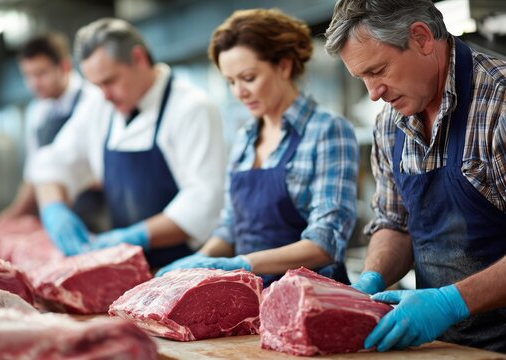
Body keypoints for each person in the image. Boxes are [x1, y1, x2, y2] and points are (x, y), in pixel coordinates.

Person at [324, 0, 506, 353]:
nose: (373, 93)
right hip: (438, 345)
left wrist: (450, 303)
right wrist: (369, 281)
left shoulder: (499, 106)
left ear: (421, 38)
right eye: (362, 78)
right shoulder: (389, 124)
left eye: (378, 70)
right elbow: (395, 223)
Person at [157, 9, 359, 287]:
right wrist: (196, 263)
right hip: (251, 297)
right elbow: (230, 227)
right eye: (230, 82)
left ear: (284, 66)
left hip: (312, 298)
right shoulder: (244, 138)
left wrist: (244, 263)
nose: (239, 92)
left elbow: (324, 244)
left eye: (248, 78)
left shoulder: (327, 130)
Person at [28, 18, 225, 268]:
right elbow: (52, 162)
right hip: (125, 269)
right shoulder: (99, 107)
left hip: (185, 270)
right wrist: (54, 208)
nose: (105, 95)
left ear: (139, 58)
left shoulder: (191, 107)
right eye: (97, 85)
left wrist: (135, 236)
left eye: (110, 81)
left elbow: (204, 201)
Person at [0, 33, 96, 222]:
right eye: (28, 76)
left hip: (96, 213)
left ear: (64, 67)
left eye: (41, 74)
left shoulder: (93, 100)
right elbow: (34, 172)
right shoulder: (38, 112)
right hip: (53, 214)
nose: (34, 84)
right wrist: (10, 217)